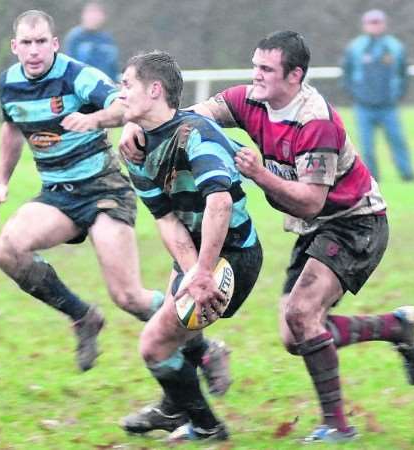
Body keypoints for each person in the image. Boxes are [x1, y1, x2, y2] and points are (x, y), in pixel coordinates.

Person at [119, 32, 414, 444]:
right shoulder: (249, 99)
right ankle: (398, 327)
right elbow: (187, 117)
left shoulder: (316, 122)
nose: (255, 75)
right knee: (295, 335)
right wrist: (139, 125)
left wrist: (260, 174)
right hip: (316, 228)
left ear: (295, 75)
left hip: (355, 221)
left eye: (266, 69)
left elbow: (312, 202)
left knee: (302, 315)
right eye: (254, 65)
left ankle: (338, 426)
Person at [0, 10, 232, 402]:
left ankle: (206, 351)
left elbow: (124, 107)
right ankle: (83, 317)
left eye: (41, 43)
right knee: (7, 252)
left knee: (129, 296)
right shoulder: (9, 84)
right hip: (59, 194)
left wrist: (94, 120)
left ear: (54, 44)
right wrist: (2, 182)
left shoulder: (76, 75)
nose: (34, 51)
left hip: (104, 189)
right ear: (15, 47)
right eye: (26, 44)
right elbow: (13, 127)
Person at [115, 50, 262, 443]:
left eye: (127, 85)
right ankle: (179, 406)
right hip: (195, 255)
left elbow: (220, 202)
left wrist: (203, 272)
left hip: (234, 255)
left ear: (155, 90)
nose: (120, 94)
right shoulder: (135, 151)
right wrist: (192, 271)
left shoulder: (195, 133)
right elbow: (167, 220)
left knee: (154, 344)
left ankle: (205, 425)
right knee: (168, 338)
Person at [341, 9, 414, 182]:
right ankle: (372, 177)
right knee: (366, 146)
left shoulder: (395, 46)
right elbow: (346, 74)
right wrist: (355, 94)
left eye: (377, 22)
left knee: (397, 141)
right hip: (363, 107)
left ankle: (407, 175)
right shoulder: (355, 47)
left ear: (384, 24)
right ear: (365, 25)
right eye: (371, 22)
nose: (374, 26)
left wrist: (397, 95)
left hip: (388, 106)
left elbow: (403, 73)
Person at [64, 2, 119, 81]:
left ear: (103, 17)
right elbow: (70, 67)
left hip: (105, 86)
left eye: (96, 14)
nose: (93, 18)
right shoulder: (75, 37)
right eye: (91, 13)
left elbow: (113, 67)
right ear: (83, 15)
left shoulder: (107, 40)